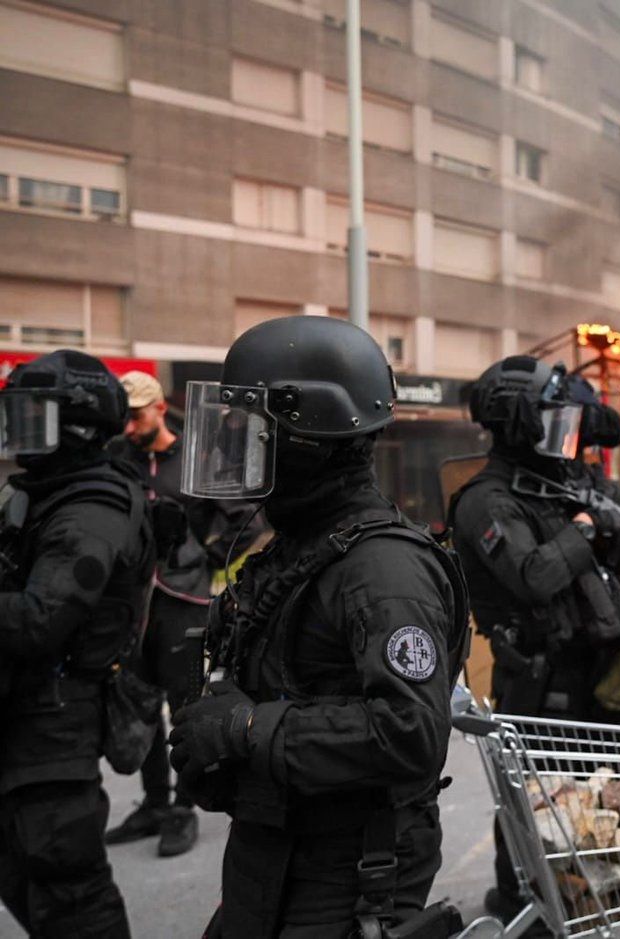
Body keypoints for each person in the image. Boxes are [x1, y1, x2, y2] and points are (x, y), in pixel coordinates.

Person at [166, 316, 469, 937]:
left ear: (304, 434)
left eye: (251, 426)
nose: (235, 439)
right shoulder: (303, 544)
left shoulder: (384, 570)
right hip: (276, 850)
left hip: (348, 871)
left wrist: (249, 729)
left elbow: (410, 731)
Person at [450, 357, 620, 924]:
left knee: (599, 799)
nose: (563, 437)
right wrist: (585, 530)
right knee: (534, 801)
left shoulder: (573, 483)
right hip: (539, 680)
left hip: (603, 674)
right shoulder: (487, 500)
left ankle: (593, 897)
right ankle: (523, 901)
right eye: (550, 420)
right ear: (518, 424)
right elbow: (535, 576)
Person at [0, 350, 155, 938]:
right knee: (29, 881)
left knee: (70, 894)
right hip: (28, 716)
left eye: (30, 416)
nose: (17, 431)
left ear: (76, 424)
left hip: (57, 723)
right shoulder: (51, 493)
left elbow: (43, 618)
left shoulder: (91, 506)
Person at [104, 370, 261, 857]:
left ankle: (181, 808)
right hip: (131, 603)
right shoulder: (119, 460)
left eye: (135, 416)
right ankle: (152, 803)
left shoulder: (196, 459)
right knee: (138, 701)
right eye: (123, 419)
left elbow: (246, 517)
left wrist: (208, 560)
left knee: (182, 704)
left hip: (181, 600)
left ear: (155, 409)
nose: (129, 428)